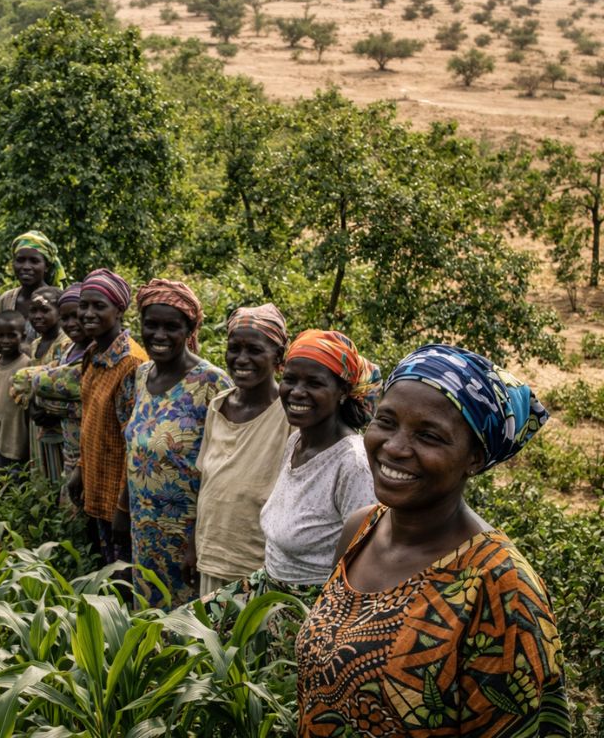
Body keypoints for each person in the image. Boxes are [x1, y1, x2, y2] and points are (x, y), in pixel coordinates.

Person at [297, 344, 569, 736]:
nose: (394, 447)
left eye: (429, 435)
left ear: (474, 457)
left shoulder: (501, 587)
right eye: (386, 422)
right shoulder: (360, 530)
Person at [118, 280, 231, 609]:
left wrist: (198, 542)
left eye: (172, 327)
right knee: (147, 618)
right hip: (144, 528)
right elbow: (136, 448)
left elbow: (220, 467)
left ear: (190, 329)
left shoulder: (211, 382)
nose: (159, 335)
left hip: (187, 536)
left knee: (185, 624)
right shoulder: (141, 376)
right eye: (151, 325)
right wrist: (123, 509)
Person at [260, 329, 379, 591]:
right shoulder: (297, 441)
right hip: (269, 592)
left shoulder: (353, 464)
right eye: (290, 379)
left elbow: (366, 559)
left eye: (314, 383)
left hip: (309, 607)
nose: (297, 392)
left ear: (343, 392)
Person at [189, 304, 292, 596]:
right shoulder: (218, 406)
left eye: (255, 350)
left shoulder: (288, 414)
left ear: (278, 357)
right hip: (212, 557)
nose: (242, 359)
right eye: (234, 348)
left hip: (257, 566)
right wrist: (193, 547)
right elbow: (206, 483)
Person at [64, 269, 148, 566]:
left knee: (121, 582)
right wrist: (80, 468)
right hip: (97, 487)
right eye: (84, 305)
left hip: (119, 500)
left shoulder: (130, 363)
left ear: (119, 310)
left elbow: (135, 442)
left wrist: (123, 508)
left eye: (99, 306)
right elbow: (91, 419)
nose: (87, 313)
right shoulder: (93, 352)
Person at [17, 283, 91, 489]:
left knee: (62, 474)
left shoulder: (66, 344)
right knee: (43, 470)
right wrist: (32, 404)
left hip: (61, 425)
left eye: (45, 310)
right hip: (39, 421)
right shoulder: (34, 345)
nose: (38, 316)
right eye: (33, 311)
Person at [0, 311, 31, 471]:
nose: (5, 341)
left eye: (12, 336)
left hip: (18, 434)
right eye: (1, 336)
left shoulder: (27, 364)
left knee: (18, 478)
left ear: (23, 336)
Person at [0, 230, 66, 325]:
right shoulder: (6, 300)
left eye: (34, 261)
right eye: (20, 260)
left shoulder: (59, 299)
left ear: (46, 266)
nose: (26, 267)